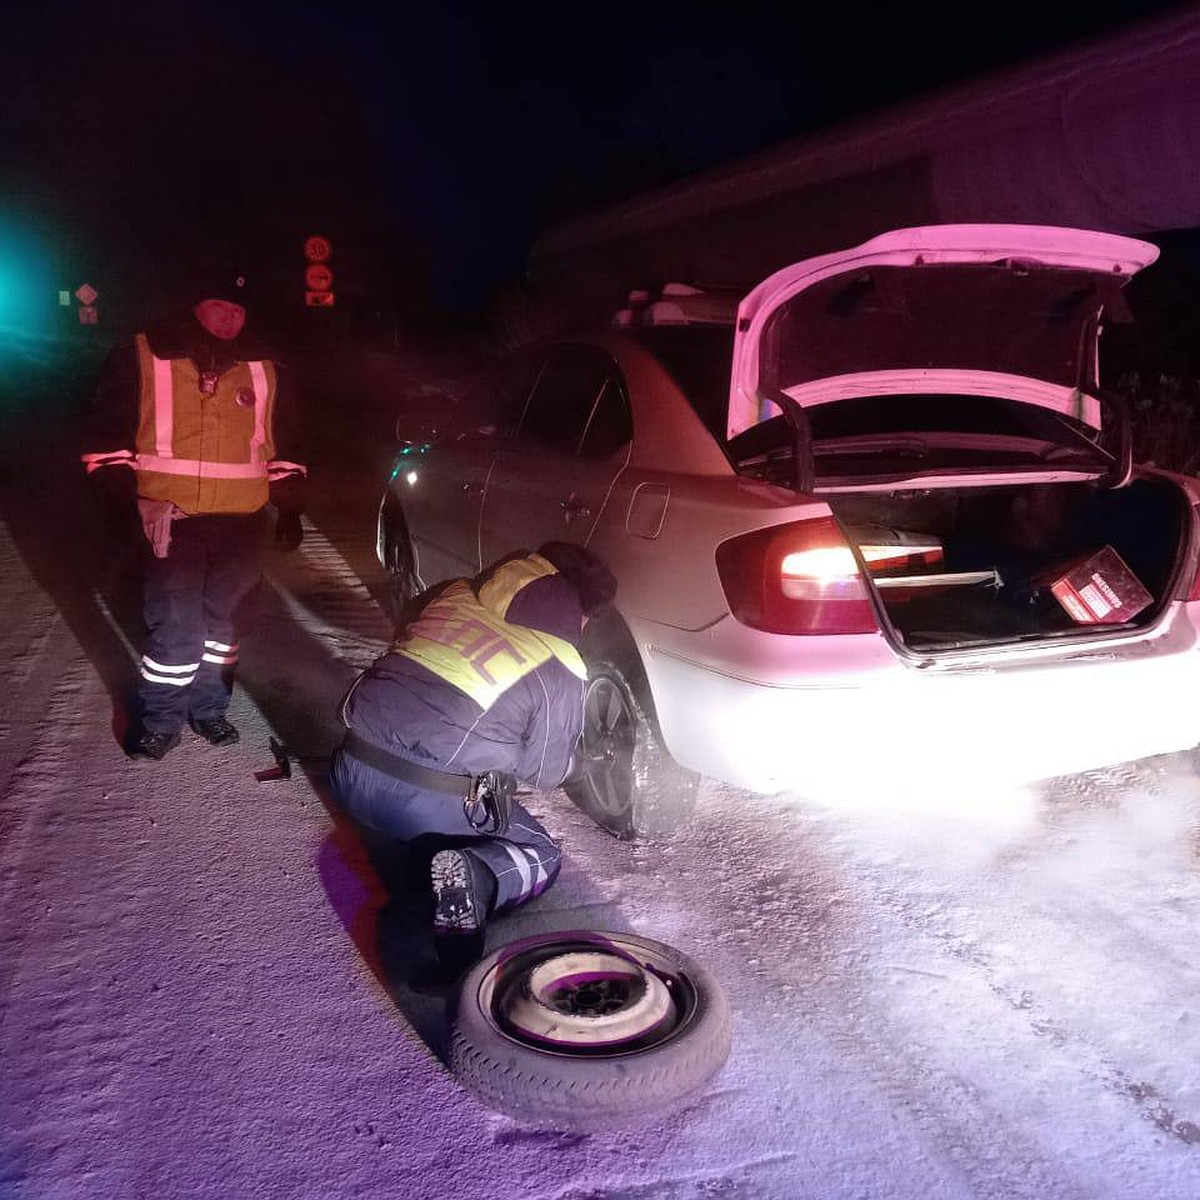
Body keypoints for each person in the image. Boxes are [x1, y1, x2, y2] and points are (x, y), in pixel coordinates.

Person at [330, 541, 617, 972]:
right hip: (417, 803)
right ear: (581, 610)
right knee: (539, 853)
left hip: (348, 771)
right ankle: (474, 875)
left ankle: (420, 847)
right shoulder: (560, 662)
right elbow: (544, 772)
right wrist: (583, 764)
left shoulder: (453, 594)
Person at [81, 264, 307, 761]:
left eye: (239, 309)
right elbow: (106, 433)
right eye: (219, 305)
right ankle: (161, 719)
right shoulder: (142, 355)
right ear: (194, 305)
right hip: (172, 519)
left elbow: (283, 443)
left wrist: (289, 507)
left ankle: (209, 710)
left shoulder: (265, 367)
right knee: (175, 625)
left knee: (226, 629)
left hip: (242, 522)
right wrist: (122, 503)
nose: (230, 318)